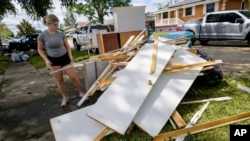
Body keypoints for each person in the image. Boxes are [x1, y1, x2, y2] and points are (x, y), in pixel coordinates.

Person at [37, 14, 84, 107]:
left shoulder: (61, 34)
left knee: (73, 77)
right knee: (59, 80)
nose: (57, 26)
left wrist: (70, 55)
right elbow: (40, 49)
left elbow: (67, 46)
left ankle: (81, 92)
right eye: (55, 25)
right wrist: (46, 60)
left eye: (57, 24)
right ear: (49, 24)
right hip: (53, 60)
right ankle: (65, 98)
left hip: (64, 57)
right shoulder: (42, 35)